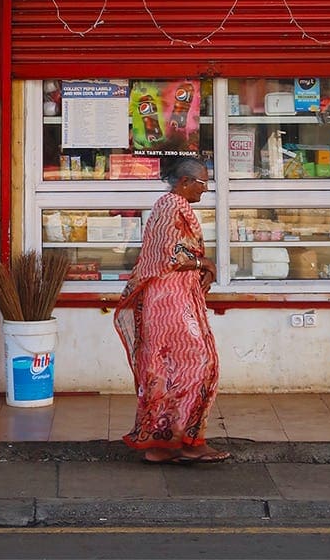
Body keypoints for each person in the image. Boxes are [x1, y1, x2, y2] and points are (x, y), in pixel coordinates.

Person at [113, 157, 230, 464]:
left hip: (172, 298)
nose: (205, 191)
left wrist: (201, 266)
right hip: (169, 302)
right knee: (199, 364)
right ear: (185, 182)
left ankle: (166, 444)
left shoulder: (169, 205)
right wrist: (204, 263)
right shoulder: (171, 205)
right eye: (203, 184)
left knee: (167, 371)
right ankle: (186, 442)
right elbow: (168, 255)